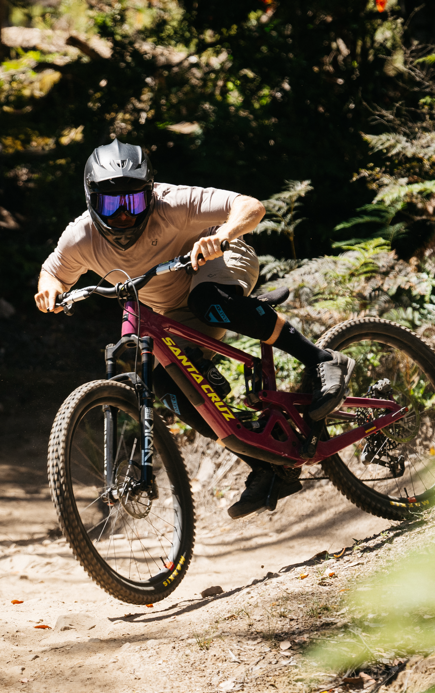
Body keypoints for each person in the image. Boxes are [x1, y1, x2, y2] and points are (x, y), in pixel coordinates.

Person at [34, 139, 354, 518]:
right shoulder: (81, 237)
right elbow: (52, 272)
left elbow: (250, 206)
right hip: (170, 308)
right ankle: (269, 467)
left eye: (133, 203)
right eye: (111, 205)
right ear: (91, 200)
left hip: (219, 264)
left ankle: (322, 359)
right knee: (168, 385)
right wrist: (49, 290)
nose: (123, 216)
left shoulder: (173, 203)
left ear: (150, 195)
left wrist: (223, 234)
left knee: (209, 301)